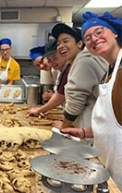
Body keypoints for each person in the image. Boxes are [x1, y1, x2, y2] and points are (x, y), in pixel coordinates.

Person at [60, 11, 122, 191]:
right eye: (88, 37)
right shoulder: (108, 74)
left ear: (115, 33)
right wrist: (84, 131)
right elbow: (113, 123)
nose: (94, 39)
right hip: (108, 163)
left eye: (99, 32)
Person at [50, 23, 108, 129]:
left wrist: (64, 126)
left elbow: (75, 102)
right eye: (58, 43)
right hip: (95, 126)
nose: (61, 46)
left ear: (80, 44)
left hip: (90, 125)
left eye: (65, 41)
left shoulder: (83, 61)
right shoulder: (85, 59)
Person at [27, 39, 70, 116]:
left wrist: (39, 110)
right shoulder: (59, 70)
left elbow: (60, 97)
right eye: (50, 60)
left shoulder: (68, 70)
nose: (52, 63)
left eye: (55, 58)